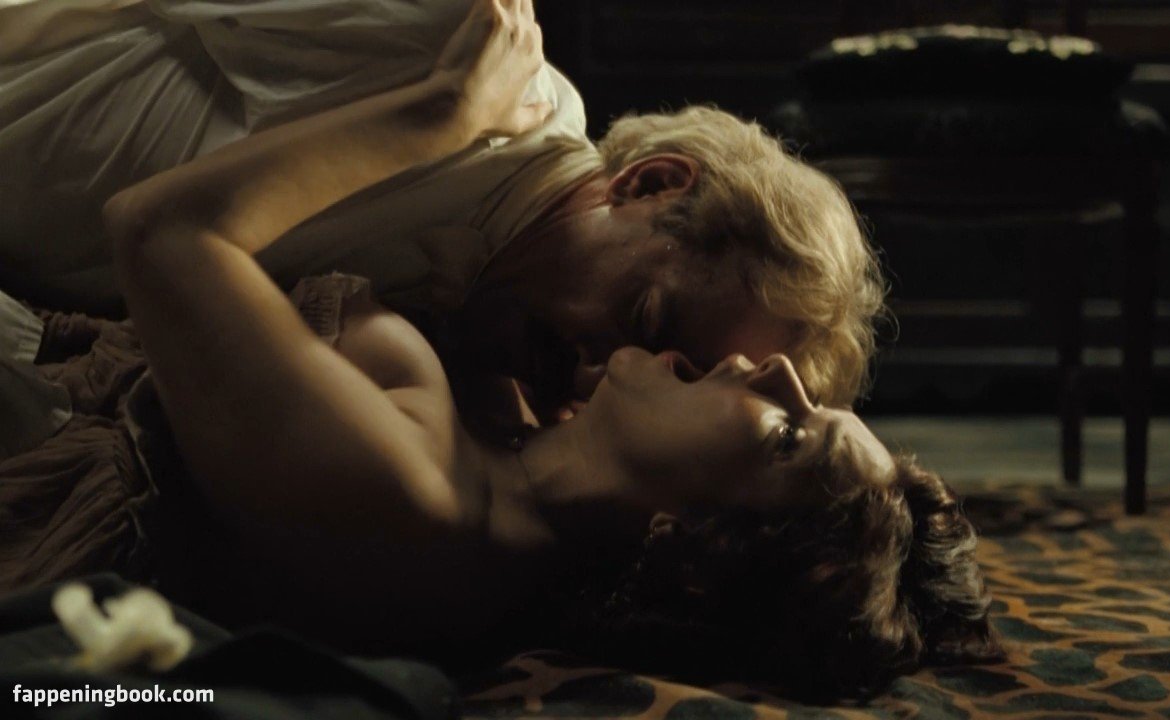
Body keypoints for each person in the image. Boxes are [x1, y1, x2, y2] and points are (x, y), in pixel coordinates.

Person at [0, 0, 999, 697]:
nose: (760, 372)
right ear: (652, 186)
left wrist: (437, 118)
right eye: (653, 323)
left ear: (696, 540)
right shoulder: (507, 416)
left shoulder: (430, 505)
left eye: (789, 432)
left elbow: (163, 236)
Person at [0, 0, 885, 430]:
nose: (604, 379)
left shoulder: (470, 346)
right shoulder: (451, 32)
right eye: (645, 319)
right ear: (649, 185)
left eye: (677, 374)